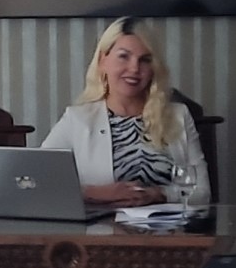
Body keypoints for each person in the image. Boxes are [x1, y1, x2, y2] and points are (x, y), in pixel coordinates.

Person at [40, 17, 211, 206]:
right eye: (124, 56)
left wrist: (159, 194)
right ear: (103, 60)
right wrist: (96, 193)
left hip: (168, 224)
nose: (134, 68)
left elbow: (202, 191)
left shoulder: (178, 115)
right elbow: (39, 182)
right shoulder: (77, 119)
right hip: (103, 224)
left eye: (145, 60)